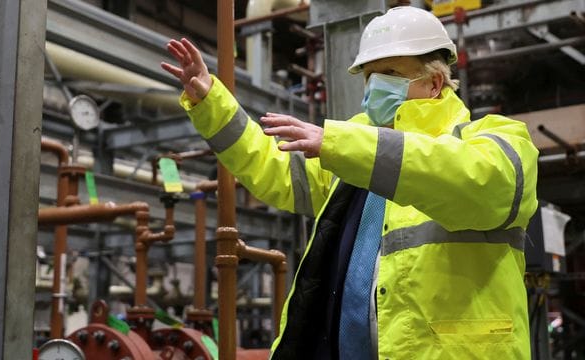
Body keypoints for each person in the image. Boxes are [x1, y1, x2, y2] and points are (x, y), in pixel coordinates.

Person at [162, 6, 537, 360]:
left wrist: (341, 144)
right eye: (369, 75)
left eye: (389, 72)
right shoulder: (353, 152)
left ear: (435, 83)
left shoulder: (493, 139)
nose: (374, 87)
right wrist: (212, 103)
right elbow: (274, 168)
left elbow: (475, 178)